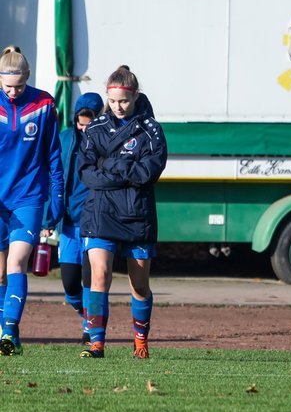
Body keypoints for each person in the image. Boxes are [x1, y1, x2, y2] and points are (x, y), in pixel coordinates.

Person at [79, 66, 168, 359]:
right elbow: (86, 173)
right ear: (108, 97)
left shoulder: (151, 130)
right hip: (100, 212)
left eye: (124, 102)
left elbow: (148, 173)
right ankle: (96, 344)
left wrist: (111, 165)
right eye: (113, 101)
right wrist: (123, 171)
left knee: (139, 285)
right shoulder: (95, 129)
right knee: (100, 276)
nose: (118, 107)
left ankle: (140, 342)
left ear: (135, 96)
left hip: (137, 214)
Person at [0, 46, 64, 355]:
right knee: (0, 272)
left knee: (17, 262)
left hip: (28, 196)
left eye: (19, 86)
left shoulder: (44, 104)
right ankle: (8, 332)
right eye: (7, 86)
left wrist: (57, 197)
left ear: (28, 78)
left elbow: (53, 155)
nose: (13, 92)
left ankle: (9, 332)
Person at [44, 93, 104, 344]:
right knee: (69, 285)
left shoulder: (106, 140)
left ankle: (90, 329)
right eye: (81, 121)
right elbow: (52, 176)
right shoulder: (66, 138)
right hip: (68, 225)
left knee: (91, 280)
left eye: (90, 121)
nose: (85, 126)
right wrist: (49, 218)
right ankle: (87, 314)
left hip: (94, 224)